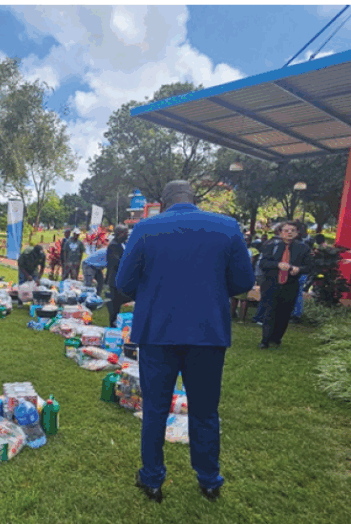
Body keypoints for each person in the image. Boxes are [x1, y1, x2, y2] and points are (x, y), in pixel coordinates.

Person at [115, 180, 254, 503]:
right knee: (205, 410)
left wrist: (152, 292)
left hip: (158, 332)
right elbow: (243, 281)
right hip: (208, 332)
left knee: (155, 410)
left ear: (163, 203)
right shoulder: (227, 226)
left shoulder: (146, 228)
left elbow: (124, 281)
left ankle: (152, 478)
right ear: (194, 198)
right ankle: (209, 479)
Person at [258, 221, 310, 349]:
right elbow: (263, 264)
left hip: (290, 284)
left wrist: (299, 269)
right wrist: (277, 265)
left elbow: (310, 266)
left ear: (297, 233)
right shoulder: (271, 245)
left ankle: (276, 338)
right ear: (280, 233)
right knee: (270, 311)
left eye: (292, 230)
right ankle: (265, 340)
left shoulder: (303, 248)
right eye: (286, 230)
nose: (289, 233)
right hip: (271, 283)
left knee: (284, 313)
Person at [105, 224, 130, 328]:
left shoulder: (122, 244)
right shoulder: (113, 245)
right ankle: (113, 325)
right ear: (119, 233)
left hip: (121, 279)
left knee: (119, 303)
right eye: (125, 233)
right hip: (115, 280)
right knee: (115, 306)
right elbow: (117, 263)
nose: (127, 235)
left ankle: (116, 321)